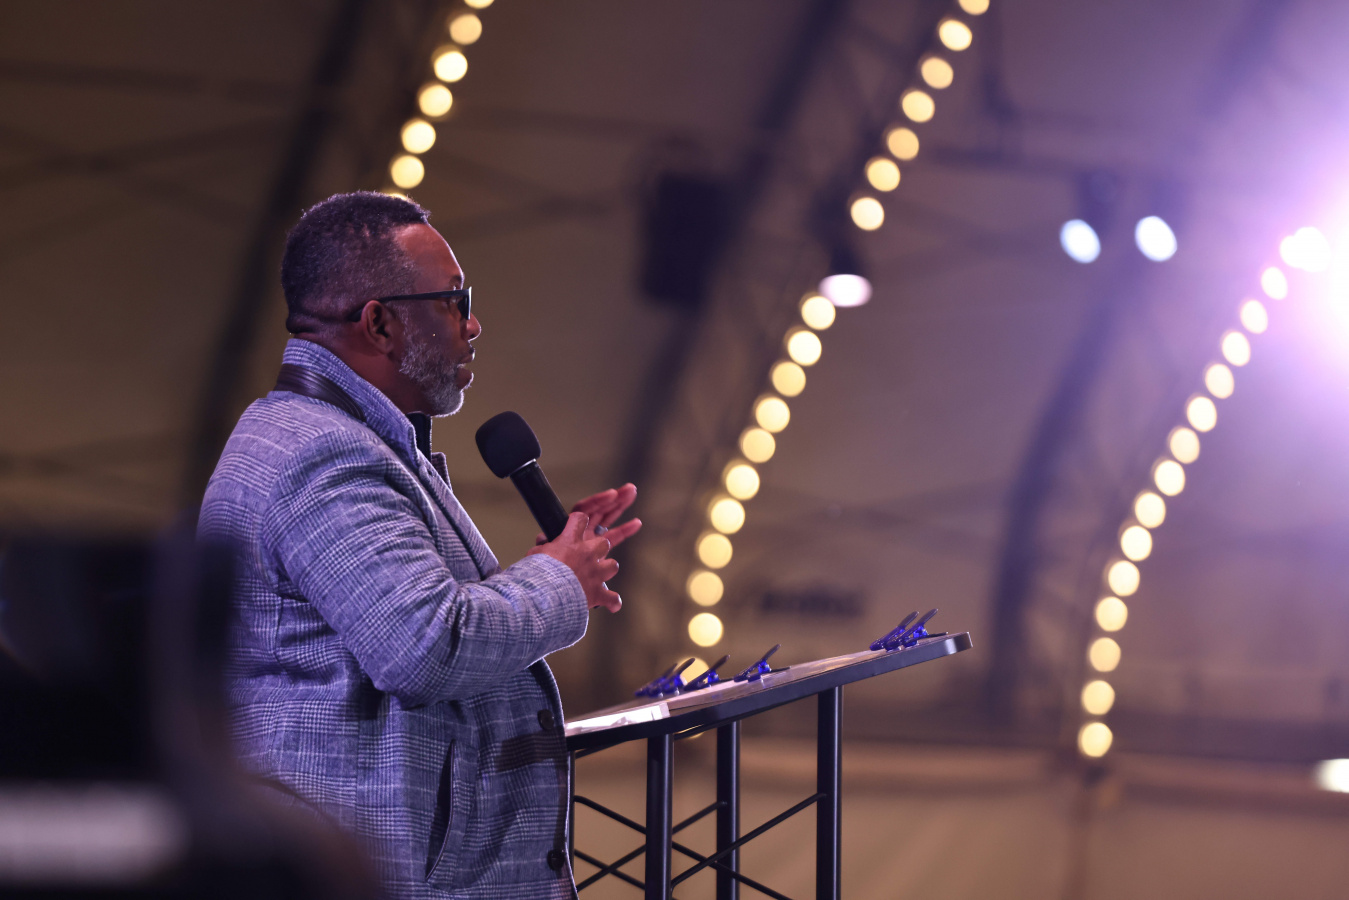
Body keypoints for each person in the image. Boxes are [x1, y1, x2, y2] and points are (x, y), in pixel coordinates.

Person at [198, 191, 640, 899]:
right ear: (379, 323)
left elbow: (407, 619)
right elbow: (428, 645)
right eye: (454, 301)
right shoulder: (322, 455)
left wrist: (553, 563)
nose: (473, 324)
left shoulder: (336, 439)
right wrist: (556, 583)